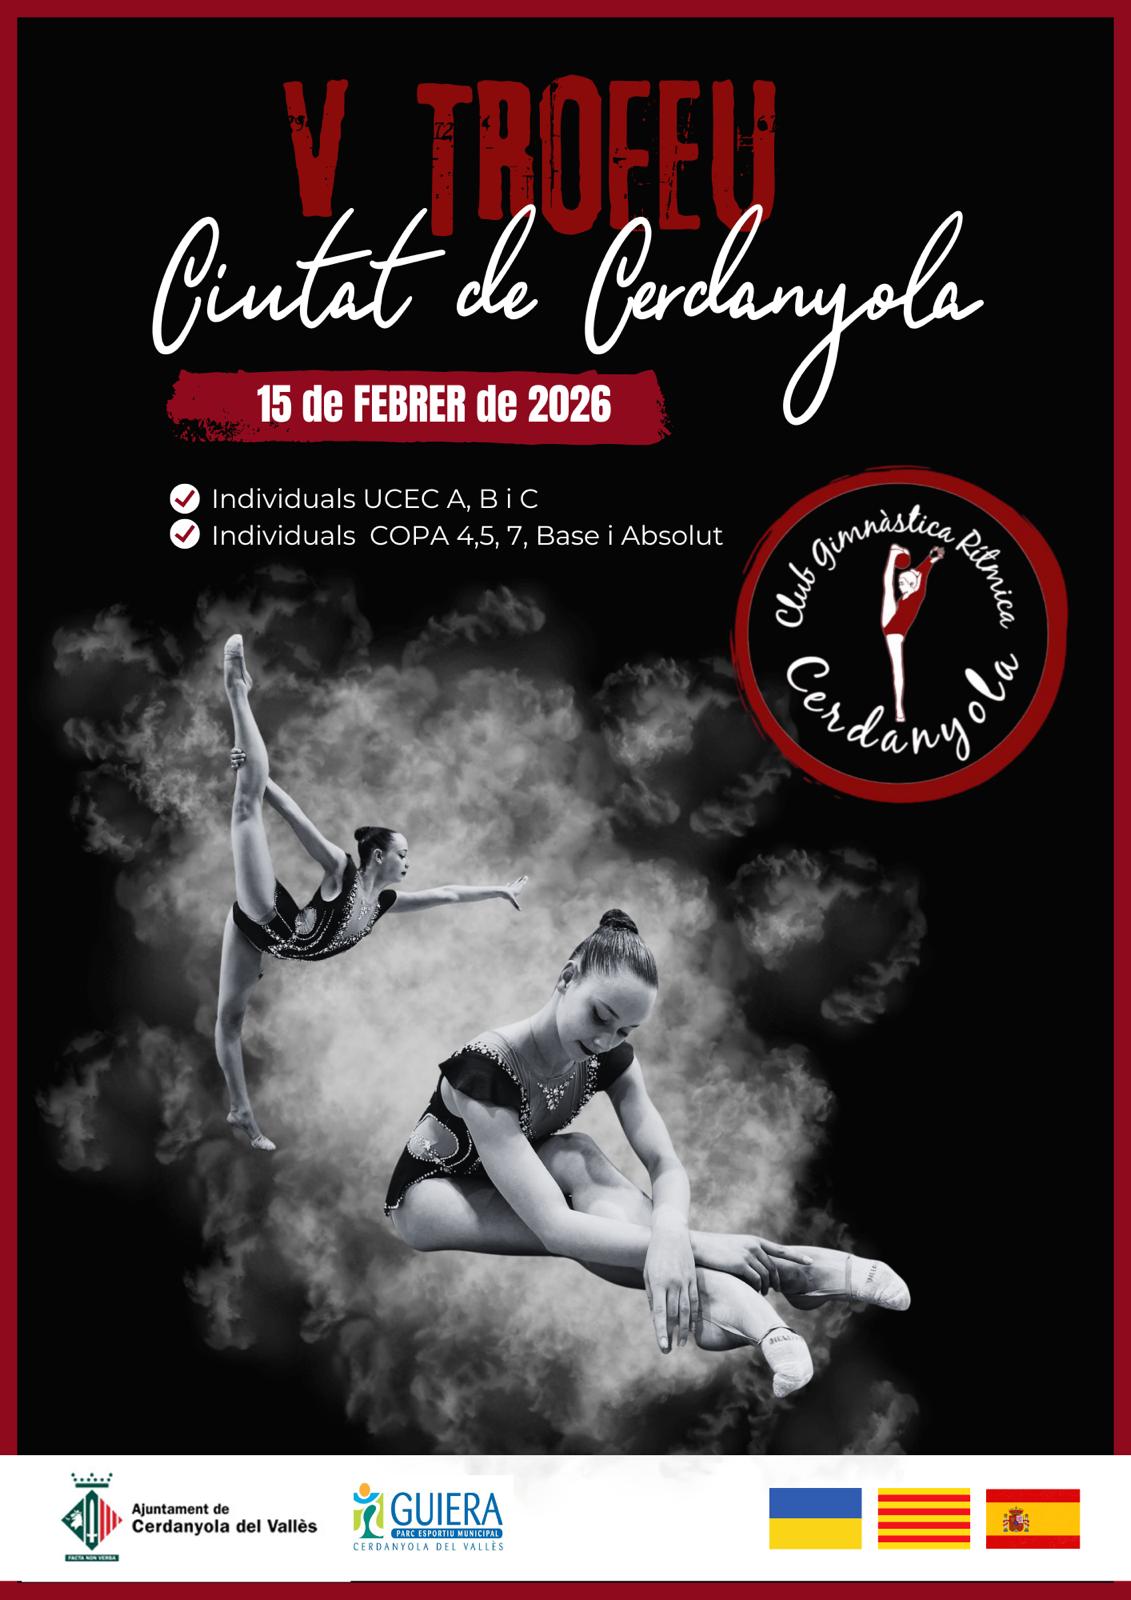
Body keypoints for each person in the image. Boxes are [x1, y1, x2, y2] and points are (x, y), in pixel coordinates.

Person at [386, 909, 909, 1396]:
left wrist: (671, 1233)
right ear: (567, 978)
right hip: (432, 1195)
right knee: (585, 1235)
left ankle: (757, 1313)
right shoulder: (485, 1069)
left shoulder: (607, 1056)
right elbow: (556, 1227)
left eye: (624, 1030)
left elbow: (666, 1164)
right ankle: (780, 1283)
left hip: (508, 1171)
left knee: (579, 1154)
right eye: (600, 1016)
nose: (605, 1040)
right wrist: (697, 1244)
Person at [218, 634, 527, 1151]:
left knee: (231, 1020)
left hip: (278, 945)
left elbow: (448, 894)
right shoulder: (341, 869)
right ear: (378, 856)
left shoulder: (383, 904)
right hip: (265, 919)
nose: (409, 862)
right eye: (403, 853)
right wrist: (258, 778)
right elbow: (295, 817)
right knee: (246, 807)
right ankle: (237, 690)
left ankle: (239, 1110)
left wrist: (498, 890)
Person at [881, 543, 945, 722]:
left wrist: (931, 561)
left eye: (903, 583)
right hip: (892, 625)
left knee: (898, 670)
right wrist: (930, 558)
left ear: (912, 584)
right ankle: (893, 553)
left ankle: (899, 708)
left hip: (895, 631)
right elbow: (918, 572)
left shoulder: (917, 595)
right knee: (888, 587)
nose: (900, 586)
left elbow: (922, 577)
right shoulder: (907, 595)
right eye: (900, 582)